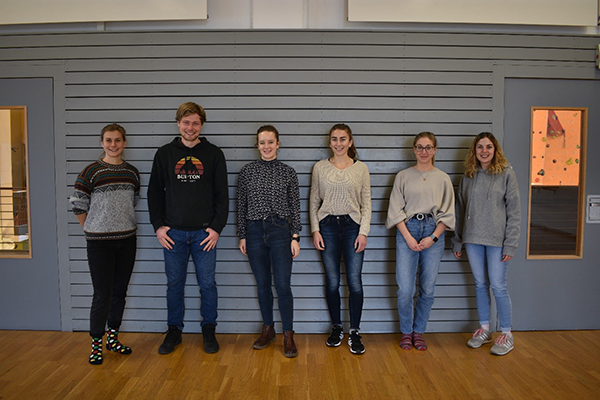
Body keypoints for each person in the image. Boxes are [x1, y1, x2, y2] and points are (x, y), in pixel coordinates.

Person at [148, 102, 229, 355]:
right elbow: (154, 194)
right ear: (178, 124)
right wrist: (159, 227)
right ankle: (174, 331)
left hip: (205, 235)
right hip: (173, 235)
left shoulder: (214, 154)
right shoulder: (164, 154)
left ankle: (209, 330)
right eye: (186, 122)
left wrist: (216, 228)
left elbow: (222, 196)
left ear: (201, 125)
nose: (190, 127)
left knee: (207, 285)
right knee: (174, 285)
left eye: (195, 123)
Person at [70, 123, 140, 365]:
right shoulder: (91, 172)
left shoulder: (132, 172)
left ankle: (113, 339)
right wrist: (91, 228)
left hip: (127, 240)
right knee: (102, 294)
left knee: (120, 292)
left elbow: (134, 201)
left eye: (117, 140)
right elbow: (78, 204)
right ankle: (96, 345)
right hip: (99, 243)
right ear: (102, 143)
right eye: (108, 140)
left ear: (124, 143)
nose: (113, 145)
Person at [452, 132, 520, 356]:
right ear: (474, 151)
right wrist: (458, 241)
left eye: (488, 147)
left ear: (495, 150)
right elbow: (460, 212)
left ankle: (507, 334)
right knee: (480, 284)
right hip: (472, 240)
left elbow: (514, 213)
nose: (484, 151)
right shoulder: (468, 176)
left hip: (497, 241)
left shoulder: (507, 175)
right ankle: (485, 329)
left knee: (499, 286)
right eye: (480, 147)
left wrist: (510, 244)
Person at [386, 132, 454, 351]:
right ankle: (406, 331)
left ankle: (418, 331)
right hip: (408, 228)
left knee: (427, 287)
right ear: (413, 150)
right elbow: (395, 209)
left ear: (435, 150)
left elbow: (448, 213)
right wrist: (408, 237)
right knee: (405, 288)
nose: (423, 151)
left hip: (433, 231)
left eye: (428, 147)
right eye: (419, 147)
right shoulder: (403, 176)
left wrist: (433, 237)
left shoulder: (443, 178)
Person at [237, 125, 301, 358]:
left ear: (278, 144)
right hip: (254, 231)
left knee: (283, 285)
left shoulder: (288, 172)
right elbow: (241, 205)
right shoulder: (247, 172)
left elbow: (295, 206)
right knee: (262, 284)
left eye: (270, 142)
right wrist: (242, 235)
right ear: (257, 145)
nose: (266, 146)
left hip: (280, 231)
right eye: (262, 142)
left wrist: (295, 236)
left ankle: (288, 334)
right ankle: (268, 328)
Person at [310, 123, 371, 355]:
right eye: (334, 139)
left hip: (352, 227)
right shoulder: (320, 168)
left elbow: (367, 203)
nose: (338, 143)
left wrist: (363, 232)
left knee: (354, 281)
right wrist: (315, 230)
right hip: (327, 227)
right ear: (330, 142)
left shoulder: (361, 169)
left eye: (342, 139)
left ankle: (354, 330)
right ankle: (337, 327)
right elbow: (314, 200)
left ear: (350, 142)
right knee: (332, 281)